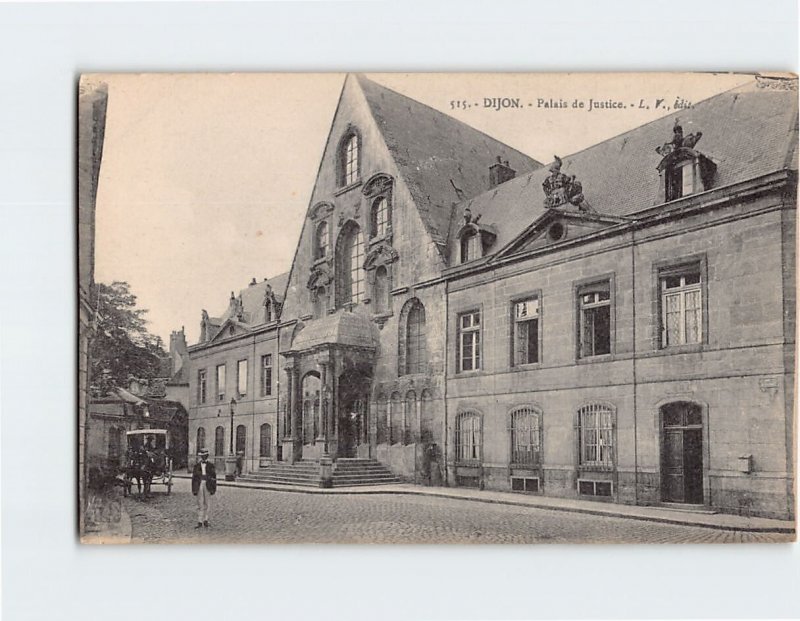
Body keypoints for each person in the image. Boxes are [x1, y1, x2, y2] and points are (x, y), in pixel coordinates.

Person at [191, 448, 217, 528]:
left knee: (207, 503)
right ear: (200, 457)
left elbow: (214, 478)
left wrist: (213, 489)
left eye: (205, 456)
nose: (204, 457)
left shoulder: (211, 466)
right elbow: (194, 478)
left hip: (208, 484)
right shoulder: (197, 466)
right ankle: (199, 521)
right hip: (199, 484)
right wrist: (194, 490)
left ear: (207, 456)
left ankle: (206, 520)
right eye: (202, 456)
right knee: (200, 503)